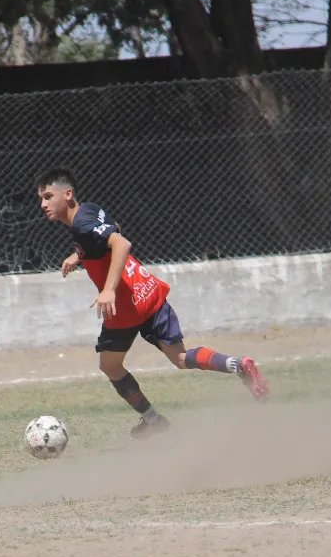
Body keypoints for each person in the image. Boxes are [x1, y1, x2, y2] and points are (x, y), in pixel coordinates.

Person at [36, 168, 269, 439]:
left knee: (110, 367)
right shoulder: (89, 210)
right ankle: (238, 365)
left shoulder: (81, 225)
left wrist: (108, 290)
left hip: (125, 308)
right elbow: (112, 231)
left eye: (48, 196)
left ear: (68, 194)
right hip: (148, 291)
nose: (43, 204)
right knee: (180, 358)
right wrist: (79, 255)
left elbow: (121, 244)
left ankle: (153, 419)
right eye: (41, 199)